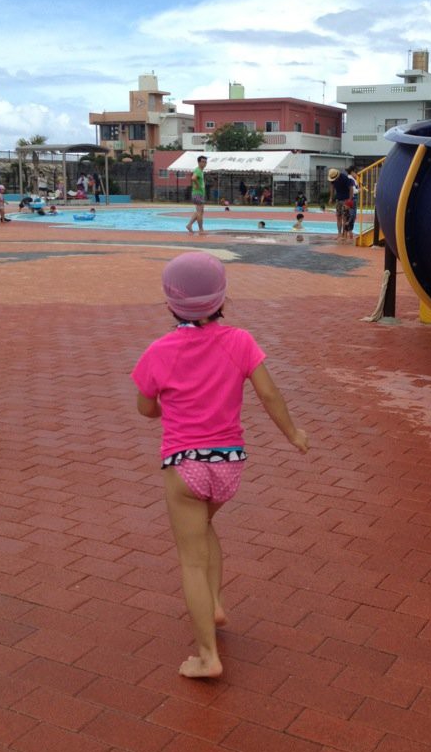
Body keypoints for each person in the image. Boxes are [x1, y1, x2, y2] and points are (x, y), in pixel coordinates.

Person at [132, 251, 309, 678]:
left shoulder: (160, 351)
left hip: (184, 466)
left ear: (170, 303)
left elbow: (146, 408)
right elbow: (268, 394)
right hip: (229, 466)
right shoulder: (240, 342)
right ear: (221, 298)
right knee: (206, 528)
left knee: (190, 557)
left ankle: (207, 656)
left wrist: (164, 408)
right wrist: (294, 434)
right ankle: (213, 604)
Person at [327, 167, 353, 242]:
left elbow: (351, 188)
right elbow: (332, 187)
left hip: (345, 199)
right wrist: (331, 198)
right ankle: (339, 233)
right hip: (338, 200)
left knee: (345, 217)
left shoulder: (344, 178)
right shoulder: (333, 179)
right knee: (338, 217)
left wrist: (350, 200)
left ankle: (344, 234)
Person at [186, 155, 207, 233]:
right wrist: (198, 185)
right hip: (197, 194)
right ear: (199, 162)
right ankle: (201, 229)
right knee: (199, 212)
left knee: (200, 211)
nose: (204, 163)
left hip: (200, 193)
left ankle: (189, 225)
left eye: (205, 162)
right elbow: (193, 178)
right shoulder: (198, 170)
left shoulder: (200, 171)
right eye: (202, 162)